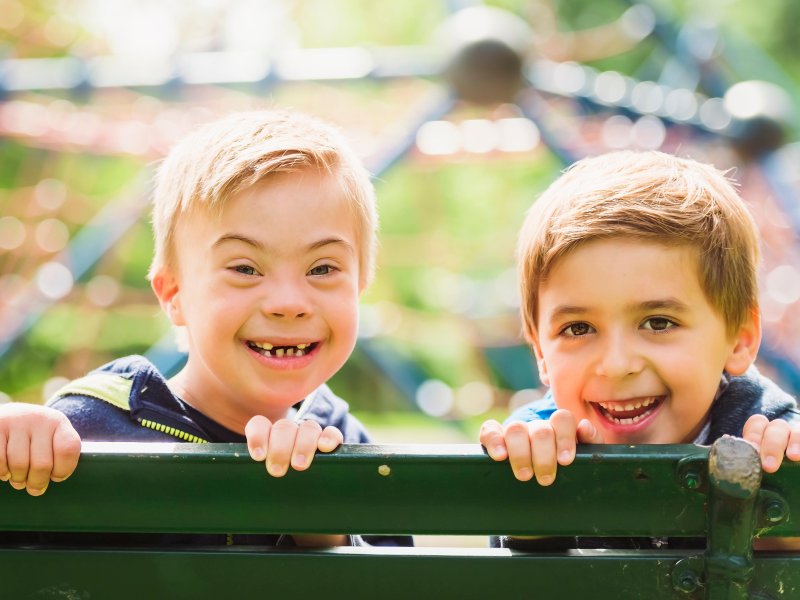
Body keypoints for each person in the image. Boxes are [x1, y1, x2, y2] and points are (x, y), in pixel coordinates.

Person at [0, 109, 392, 547]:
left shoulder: (350, 447)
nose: (288, 303)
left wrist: (323, 534)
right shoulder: (85, 430)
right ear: (173, 294)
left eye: (322, 268)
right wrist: (12, 442)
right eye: (245, 267)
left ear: (359, 288)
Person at [480, 150, 800, 489]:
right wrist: (534, 503)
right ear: (541, 352)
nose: (617, 365)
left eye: (658, 323)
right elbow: (528, 539)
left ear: (739, 339)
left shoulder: (777, 443)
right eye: (579, 328)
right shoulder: (532, 449)